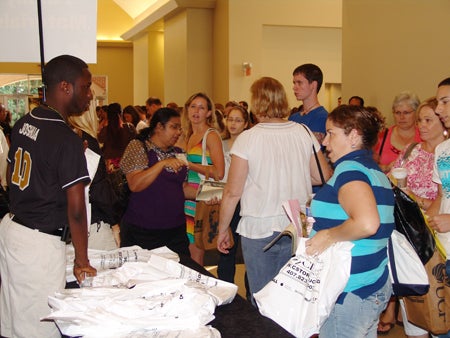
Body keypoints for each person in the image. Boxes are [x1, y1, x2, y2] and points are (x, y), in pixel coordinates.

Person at [0, 54, 97, 338]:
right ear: (66, 87)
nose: (90, 94)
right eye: (86, 86)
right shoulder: (65, 138)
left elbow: (10, 179)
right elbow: (77, 210)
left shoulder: (23, 121)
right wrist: (82, 259)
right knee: (39, 328)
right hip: (38, 242)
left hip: (13, 228)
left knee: (13, 322)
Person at [217, 77, 331, 305]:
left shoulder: (248, 139)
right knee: (293, 298)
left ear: (257, 103)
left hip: (259, 227)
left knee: (263, 299)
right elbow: (323, 176)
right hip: (296, 226)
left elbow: (232, 192)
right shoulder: (303, 132)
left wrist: (222, 229)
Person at [306, 104, 394, 337]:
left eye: (331, 133)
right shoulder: (374, 172)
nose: (325, 142)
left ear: (353, 135)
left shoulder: (349, 171)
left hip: (349, 290)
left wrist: (327, 235)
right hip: (370, 284)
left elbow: (367, 223)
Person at [378, 97, 448, 337]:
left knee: (438, 303)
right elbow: (393, 178)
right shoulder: (412, 150)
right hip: (410, 237)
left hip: (436, 238)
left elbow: (441, 199)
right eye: (420, 120)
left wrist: (413, 198)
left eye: (429, 120)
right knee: (415, 310)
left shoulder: (443, 156)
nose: (422, 126)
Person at [120, 108, 195, 258]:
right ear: (159, 127)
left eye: (180, 128)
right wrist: (161, 164)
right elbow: (135, 184)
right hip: (143, 230)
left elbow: (183, 188)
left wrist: (208, 194)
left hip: (175, 229)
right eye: (174, 127)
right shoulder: (138, 146)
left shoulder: (178, 152)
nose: (178, 132)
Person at [69, 102, 121, 251]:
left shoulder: (63, 136)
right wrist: (115, 222)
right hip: (92, 224)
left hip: (69, 223)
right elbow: (99, 188)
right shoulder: (87, 142)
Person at [182, 92, 225, 266]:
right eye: (193, 106)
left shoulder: (211, 136)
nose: (196, 111)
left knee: (196, 252)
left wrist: (190, 165)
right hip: (186, 197)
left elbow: (219, 172)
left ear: (208, 113)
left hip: (201, 198)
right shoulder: (187, 135)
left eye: (201, 107)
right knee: (187, 248)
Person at [427, 77, 450, 338]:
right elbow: (441, 196)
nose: (439, 109)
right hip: (444, 251)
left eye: (445, 102)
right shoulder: (443, 149)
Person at [217, 105, 250, 283]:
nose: (233, 124)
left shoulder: (250, 144)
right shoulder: (220, 144)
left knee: (247, 250)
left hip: (245, 201)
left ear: (245, 124)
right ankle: (225, 287)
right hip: (226, 199)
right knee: (226, 247)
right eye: (230, 119)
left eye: (238, 120)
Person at [374, 91, 421, 172]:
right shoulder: (381, 136)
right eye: (397, 113)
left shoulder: (424, 137)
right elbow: (368, 166)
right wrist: (386, 168)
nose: (401, 117)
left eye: (406, 113)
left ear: (416, 113)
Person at [288, 63, 328, 144]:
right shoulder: (293, 117)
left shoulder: (323, 117)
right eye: (294, 83)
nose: (294, 87)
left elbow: (311, 149)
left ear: (313, 85)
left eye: (299, 83)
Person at [98, 102, 136, 173]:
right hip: (126, 162)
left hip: (110, 164)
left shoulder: (105, 130)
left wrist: (104, 122)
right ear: (121, 113)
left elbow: (100, 139)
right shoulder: (129, 128)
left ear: (108, 115)